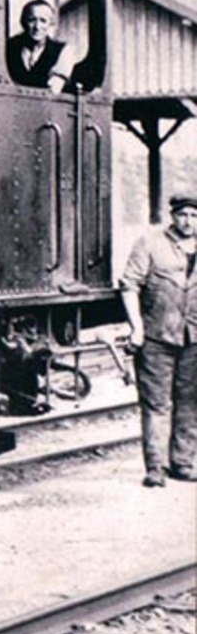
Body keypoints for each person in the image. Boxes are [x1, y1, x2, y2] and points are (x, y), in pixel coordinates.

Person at [120, 194, 197, 487]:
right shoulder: (150, 244)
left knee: (190, 403)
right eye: (183, 215)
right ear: (173, 216)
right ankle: (156, 468)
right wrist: (136, 327)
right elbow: (129, 285)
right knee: (156, 404)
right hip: (156, 337)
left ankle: (184, 463)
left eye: (194, 216)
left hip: (194, 338)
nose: (188, 221)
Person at [6, 0, 76, 92]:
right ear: (23, 22)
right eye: (32, 20)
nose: (37, 27)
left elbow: (53, 90)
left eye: (43, 21)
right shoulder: (8, 47)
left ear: (50, 24)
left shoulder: (63, 51)